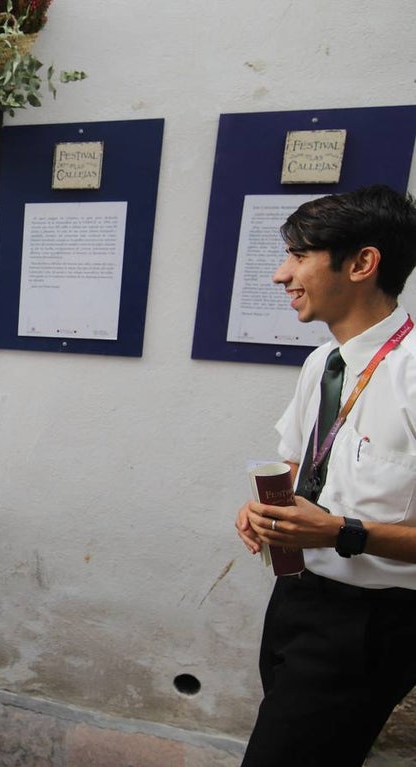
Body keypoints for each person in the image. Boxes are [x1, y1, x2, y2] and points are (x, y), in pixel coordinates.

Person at [234, 185, 416, 766]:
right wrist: (265, 508)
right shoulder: (323, 361)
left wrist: (341, 531)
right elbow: (297, 463)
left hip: (370, 621)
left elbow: (340, 525)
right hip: (294, 595)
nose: (280, 275)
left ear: (362, 263)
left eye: (298, 254)